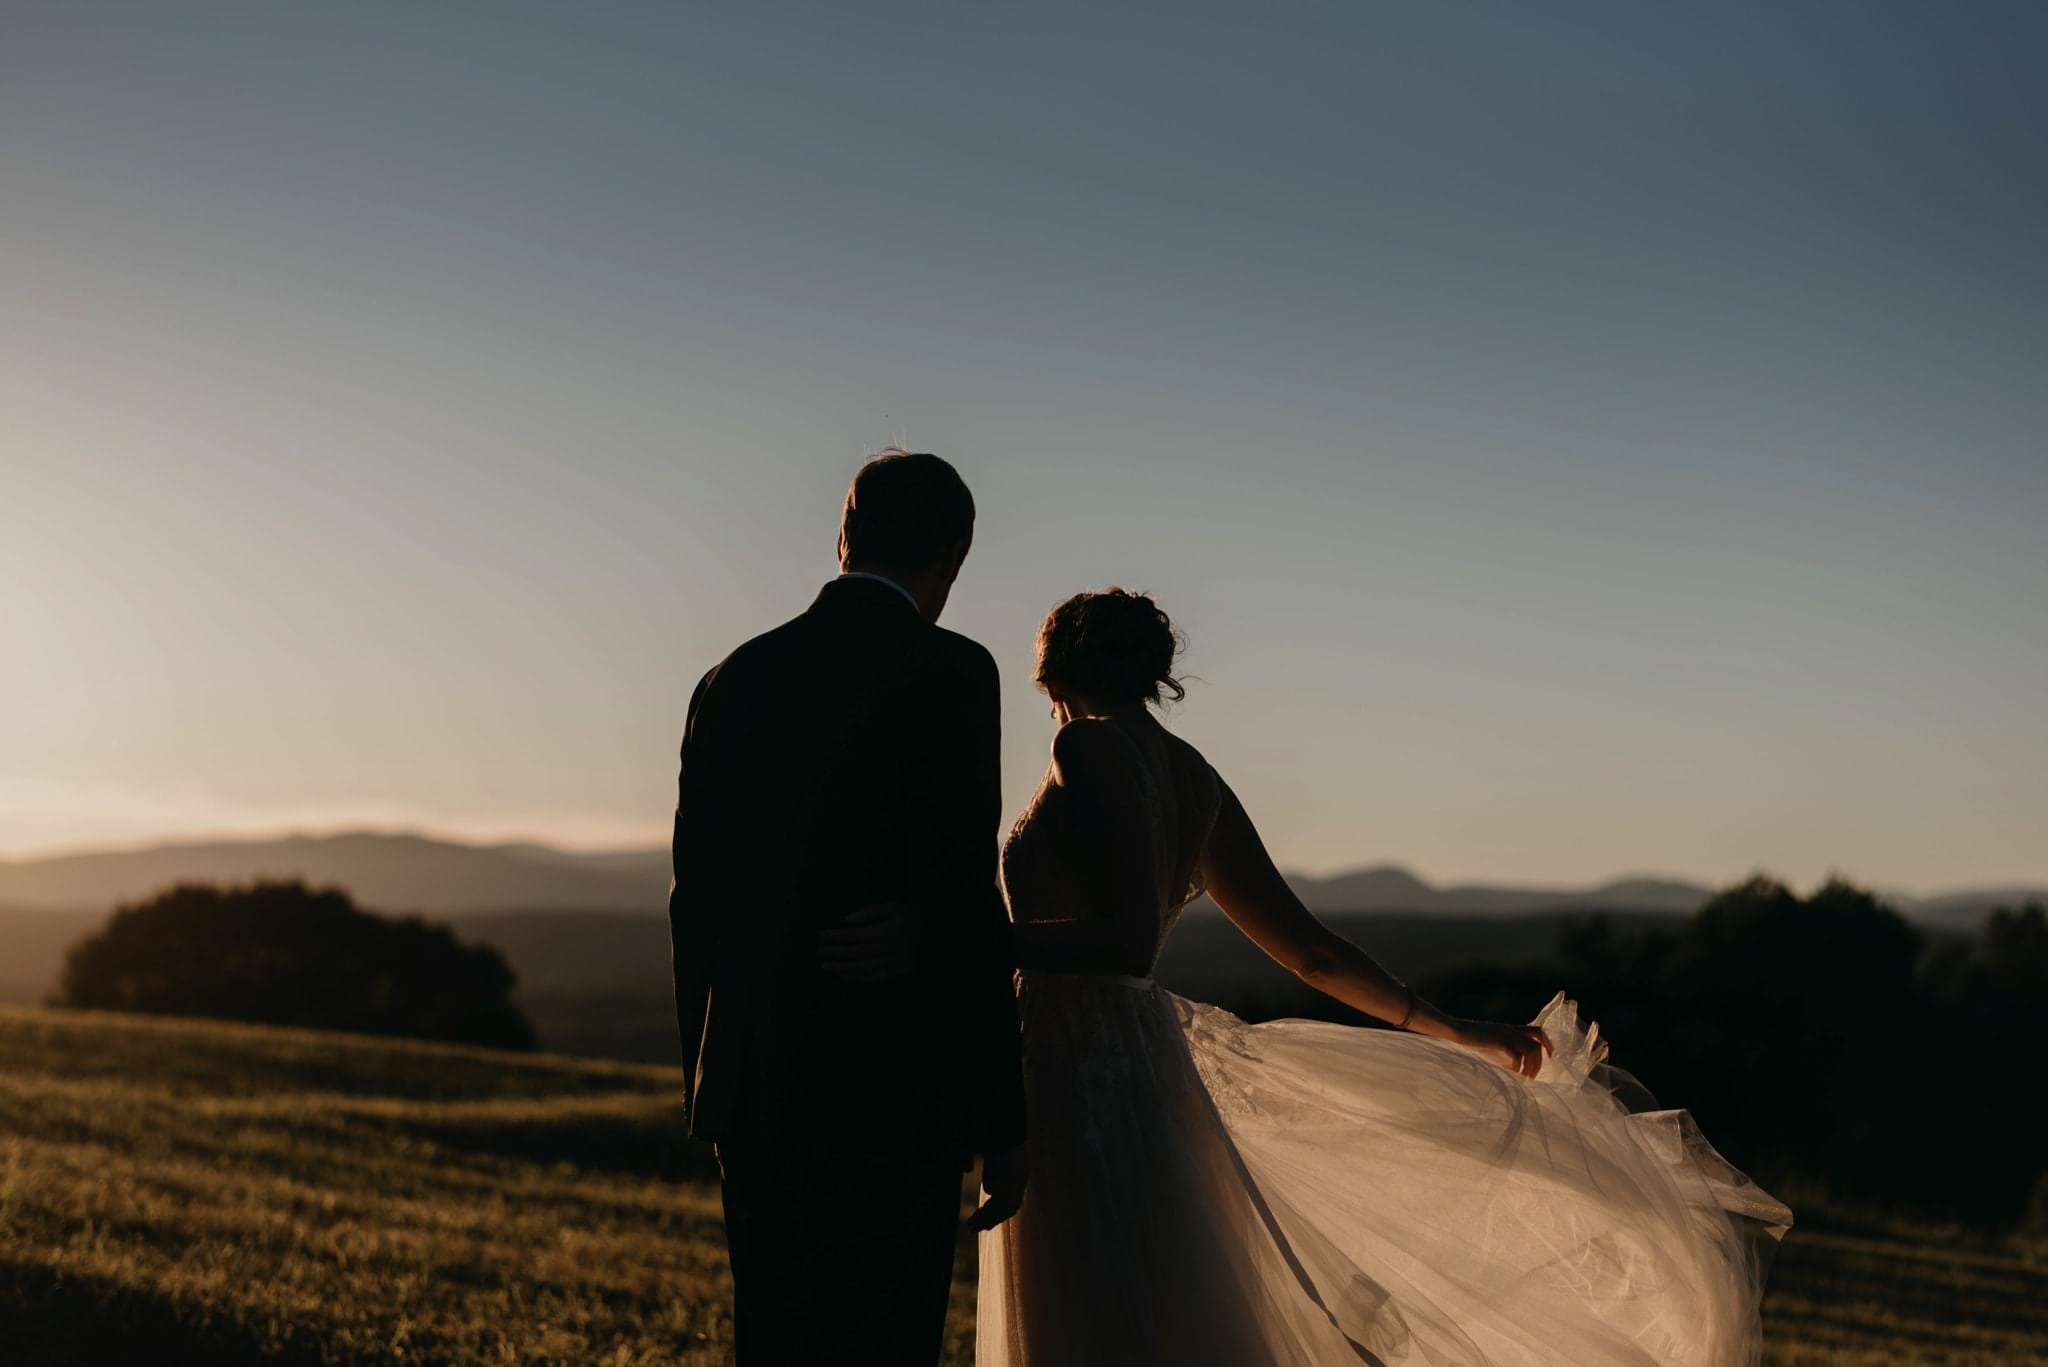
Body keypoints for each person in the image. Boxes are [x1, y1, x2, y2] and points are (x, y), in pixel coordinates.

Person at [973, 588, 1792, 1367]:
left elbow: (1123, 944)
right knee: (1154, 1296)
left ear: (1052, 670)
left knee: (1086, 1299)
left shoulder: (1082, 742)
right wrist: (1457, 1029)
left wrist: (978, 941)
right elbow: (1312, 953)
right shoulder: (1195, 777)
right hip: (1149, 1064)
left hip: (1077, 1058)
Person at [668, 449, 1029, 1366]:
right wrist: (1002, 1117)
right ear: (956, 553)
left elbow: (695, 904)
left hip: (754, 1089)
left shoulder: (730, 678)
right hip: (892, 1087)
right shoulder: (952, 671)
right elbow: (960, 890)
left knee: (777, 1344)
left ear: (842, 538)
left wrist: (708, 1075)